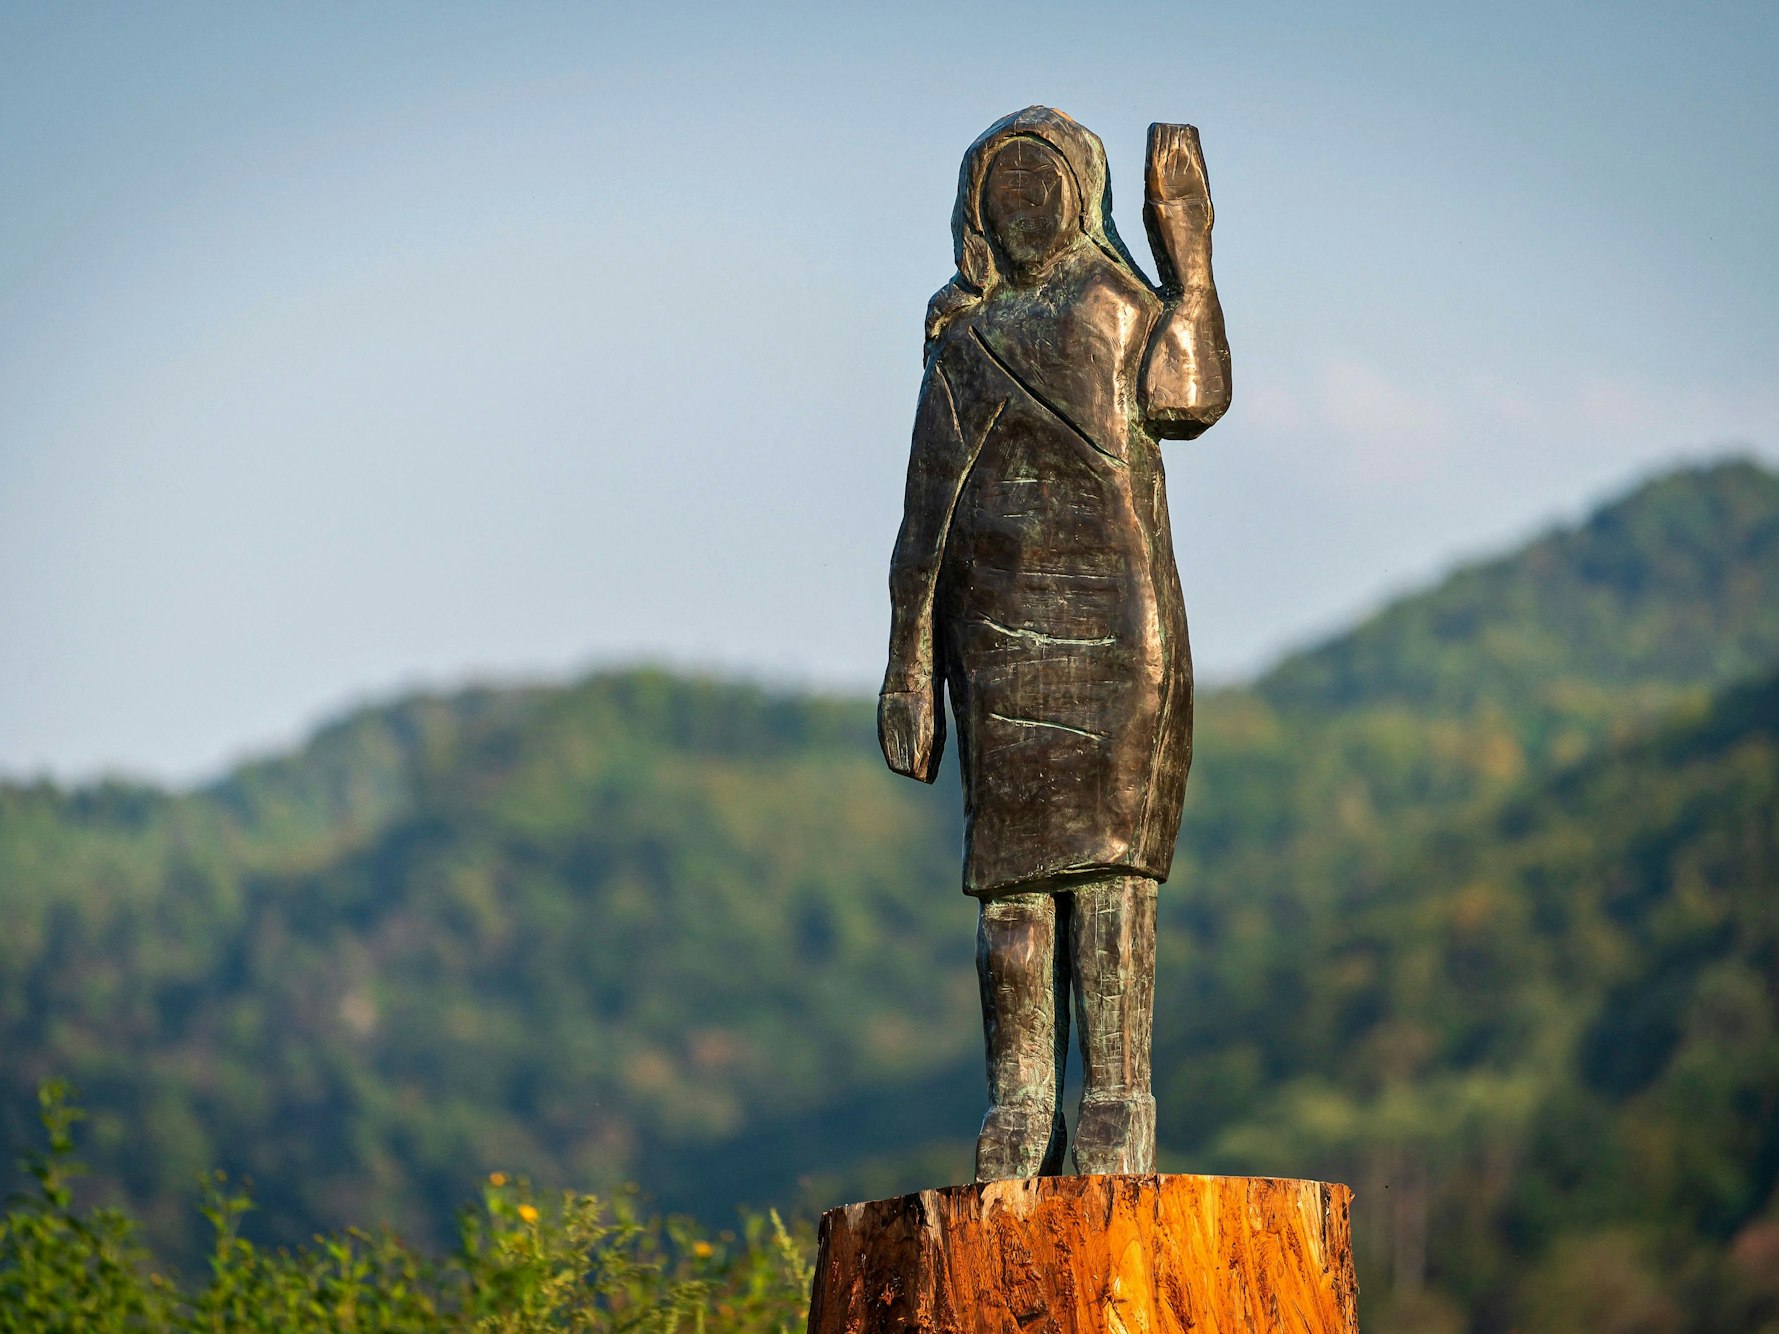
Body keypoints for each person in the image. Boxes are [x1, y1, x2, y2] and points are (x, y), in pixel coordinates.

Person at [878, 106, 1231, 1179]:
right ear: (976, 208)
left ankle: (1119, 1100)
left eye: (1043, 184)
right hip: (996, 640)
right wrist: (909, 663)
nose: (1025, 206)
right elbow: (925, 512)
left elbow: (1192, 394)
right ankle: (1020, 1106)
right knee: (1014, 896)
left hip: (1119, 625)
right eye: (1004, 189)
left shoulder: (1121, 306)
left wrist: (1193, 257)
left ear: (1081, 199)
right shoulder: (960, 335)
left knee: (1113, 880)